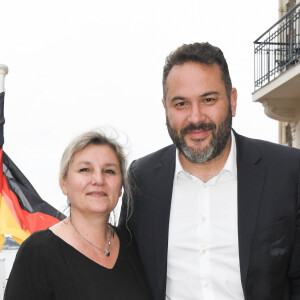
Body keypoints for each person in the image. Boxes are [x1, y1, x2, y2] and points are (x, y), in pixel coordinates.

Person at [119, 42, 300, 300]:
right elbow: (126, 272)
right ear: (165, 108)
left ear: (232, 100)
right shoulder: (141, 179)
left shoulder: (288, 172)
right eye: (181, 103)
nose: (196, 118)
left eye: (208, 99)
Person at [5, 130, 152, 300]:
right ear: (64, 183)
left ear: (120, 188)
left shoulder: (132, 245)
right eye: (85, 169)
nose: (98, 179)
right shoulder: (37, 252)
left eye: (110, 171)